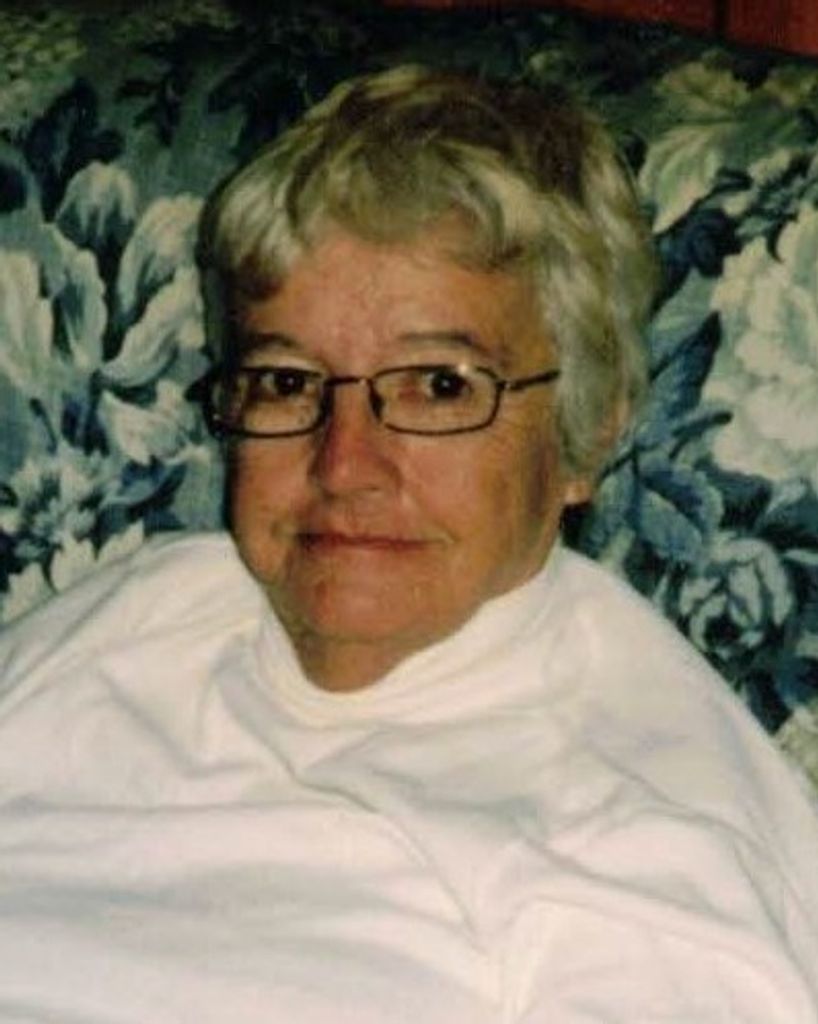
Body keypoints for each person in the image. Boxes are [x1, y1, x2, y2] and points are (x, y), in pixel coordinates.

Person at [0, 64, 816, 1023]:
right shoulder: (136, 613)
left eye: (438, 386)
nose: (345, 465)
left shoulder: (642, 835)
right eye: (287, 381)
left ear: (585, 434)